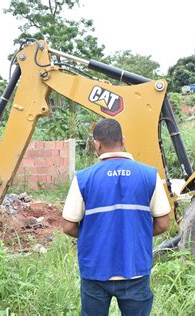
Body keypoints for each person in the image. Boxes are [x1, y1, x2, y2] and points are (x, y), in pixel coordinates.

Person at [62, 118, 171, 316]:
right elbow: (163, 223)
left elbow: (68, 226)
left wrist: (93, 237)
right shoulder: (149, 175)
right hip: (135, 268)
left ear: (97, 143)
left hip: (95, 270)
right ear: (123, 139)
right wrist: (136, 234)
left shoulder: (83, 178)